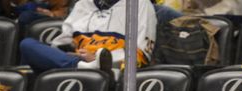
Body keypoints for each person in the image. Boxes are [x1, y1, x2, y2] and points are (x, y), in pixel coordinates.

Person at [18, 0, 156, 73]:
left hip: (111, 72)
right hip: (75, 64)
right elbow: (61, 45)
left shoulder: (141, 4)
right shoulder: (82, 4)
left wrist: (98, 58)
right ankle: (82, 66)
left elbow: (140, 56)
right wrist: (73, 55)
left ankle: (85, 66)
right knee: (28, 45)